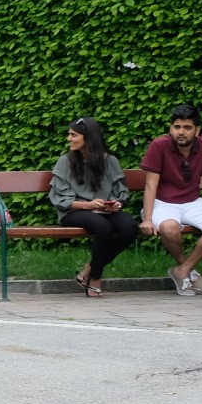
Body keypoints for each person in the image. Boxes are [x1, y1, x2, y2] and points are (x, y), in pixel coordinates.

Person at [139, 103, 202, 297]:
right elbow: (150, 186)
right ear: (171, 128)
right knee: (170, 228)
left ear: (197, 130)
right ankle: (187, 270)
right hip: (162, 203)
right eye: (177, 127)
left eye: (187, 128)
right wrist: (147, 219)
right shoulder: (159, 145)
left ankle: (182, 270)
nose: (181, 132)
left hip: (192, 201)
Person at [49, 117, 136, 297]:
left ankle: (88, 269)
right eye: (69, 135)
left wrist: (116, 204)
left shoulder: (110, 161)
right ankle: (96, 278)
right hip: (73, 210)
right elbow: (60, 200)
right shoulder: (64, 162)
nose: (69, 139)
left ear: (88, 138)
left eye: (74, 135)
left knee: (130, 227)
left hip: (103, 210)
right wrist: (87, 205)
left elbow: (121, 192)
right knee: (103, 228)